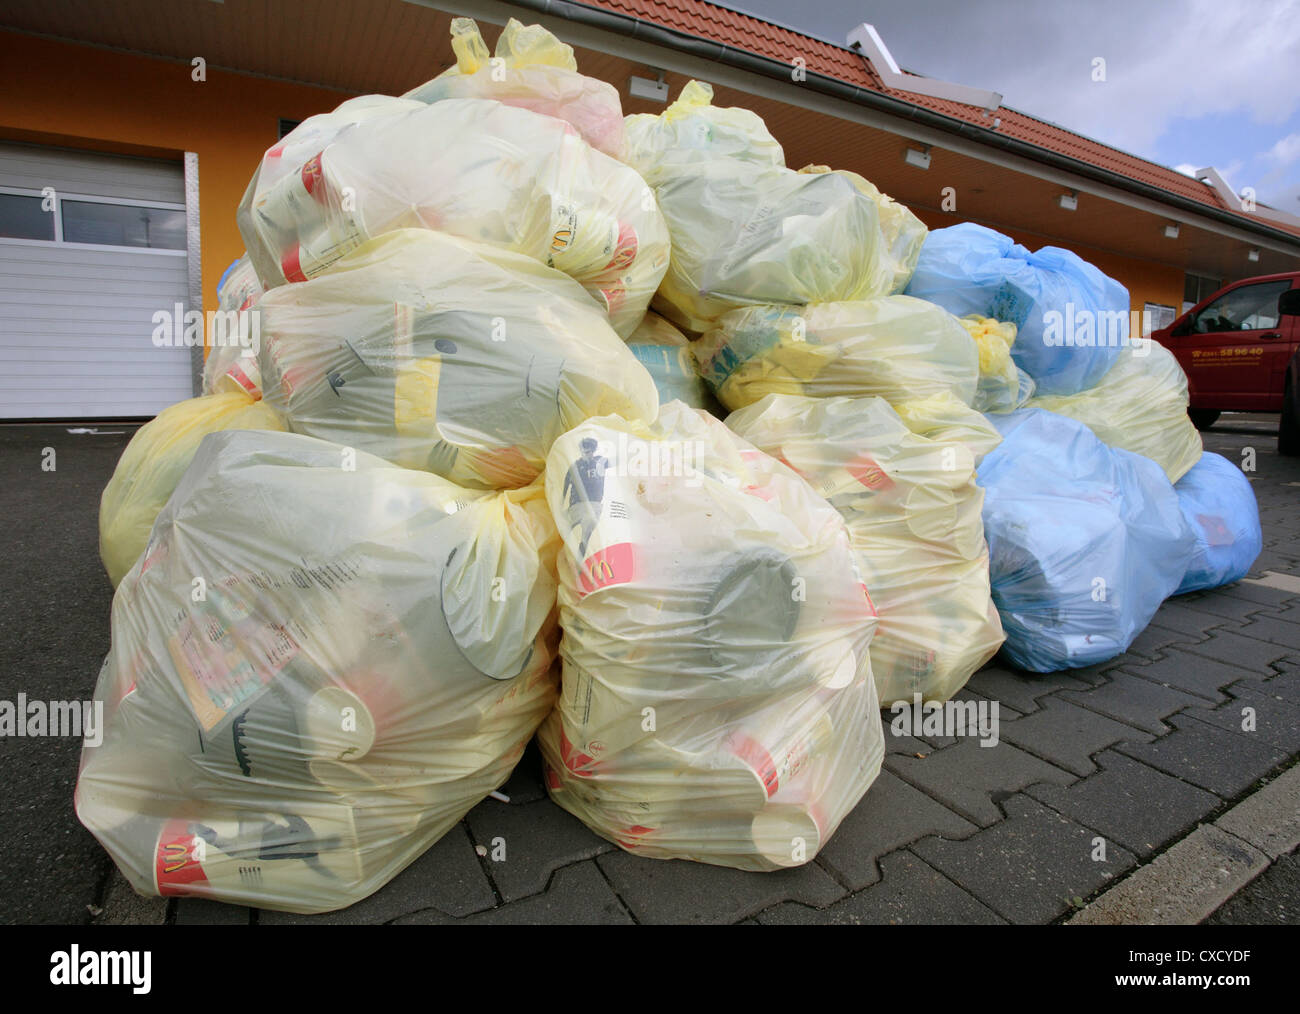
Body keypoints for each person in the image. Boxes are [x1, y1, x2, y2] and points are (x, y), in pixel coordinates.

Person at [561, 437, 608, 558]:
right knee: (565, 530)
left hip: (594, 505)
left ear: (593, 451)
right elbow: (565, 487)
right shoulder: (574, 466)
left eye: (588, 452)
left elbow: (617, 461)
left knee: (586, 534)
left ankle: (580, 561)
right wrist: (560, 506)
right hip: (576, 506)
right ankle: (565, 555)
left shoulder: (600, 462)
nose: (586, 455)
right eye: (583, 452)